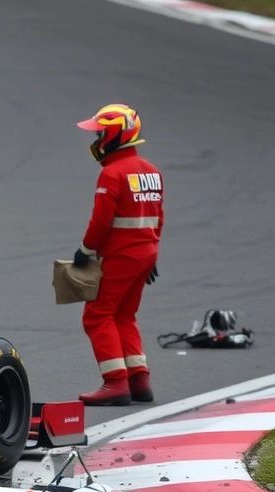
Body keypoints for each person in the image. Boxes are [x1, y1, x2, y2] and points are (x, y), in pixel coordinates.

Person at [70, 103, 163, 406]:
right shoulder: (151, 171)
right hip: (146, 251)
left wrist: (85, 250)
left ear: (114, 136)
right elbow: (157, 217)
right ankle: (139, 379)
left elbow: (100, 221)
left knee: (97, 315)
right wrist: (152, 254)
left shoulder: (113, 173)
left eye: (99, 134)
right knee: (124, 314)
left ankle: (115, 384)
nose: (95, 141)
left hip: (120, 254)